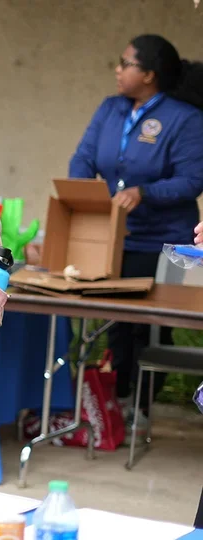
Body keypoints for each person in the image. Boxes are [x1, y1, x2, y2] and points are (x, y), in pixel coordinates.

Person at [69, 35, 203, 422]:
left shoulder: (185, 118)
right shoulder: (111, 109)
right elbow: (83, 158)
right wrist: (85, 195)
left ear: (148, 75)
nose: (118, 68)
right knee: (115, 325)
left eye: (126, 63)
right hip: (111, 236)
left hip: (161, 240)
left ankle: (140, 405)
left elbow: (193, 180)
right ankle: (116, 400)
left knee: (147, 328)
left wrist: (146, 193)